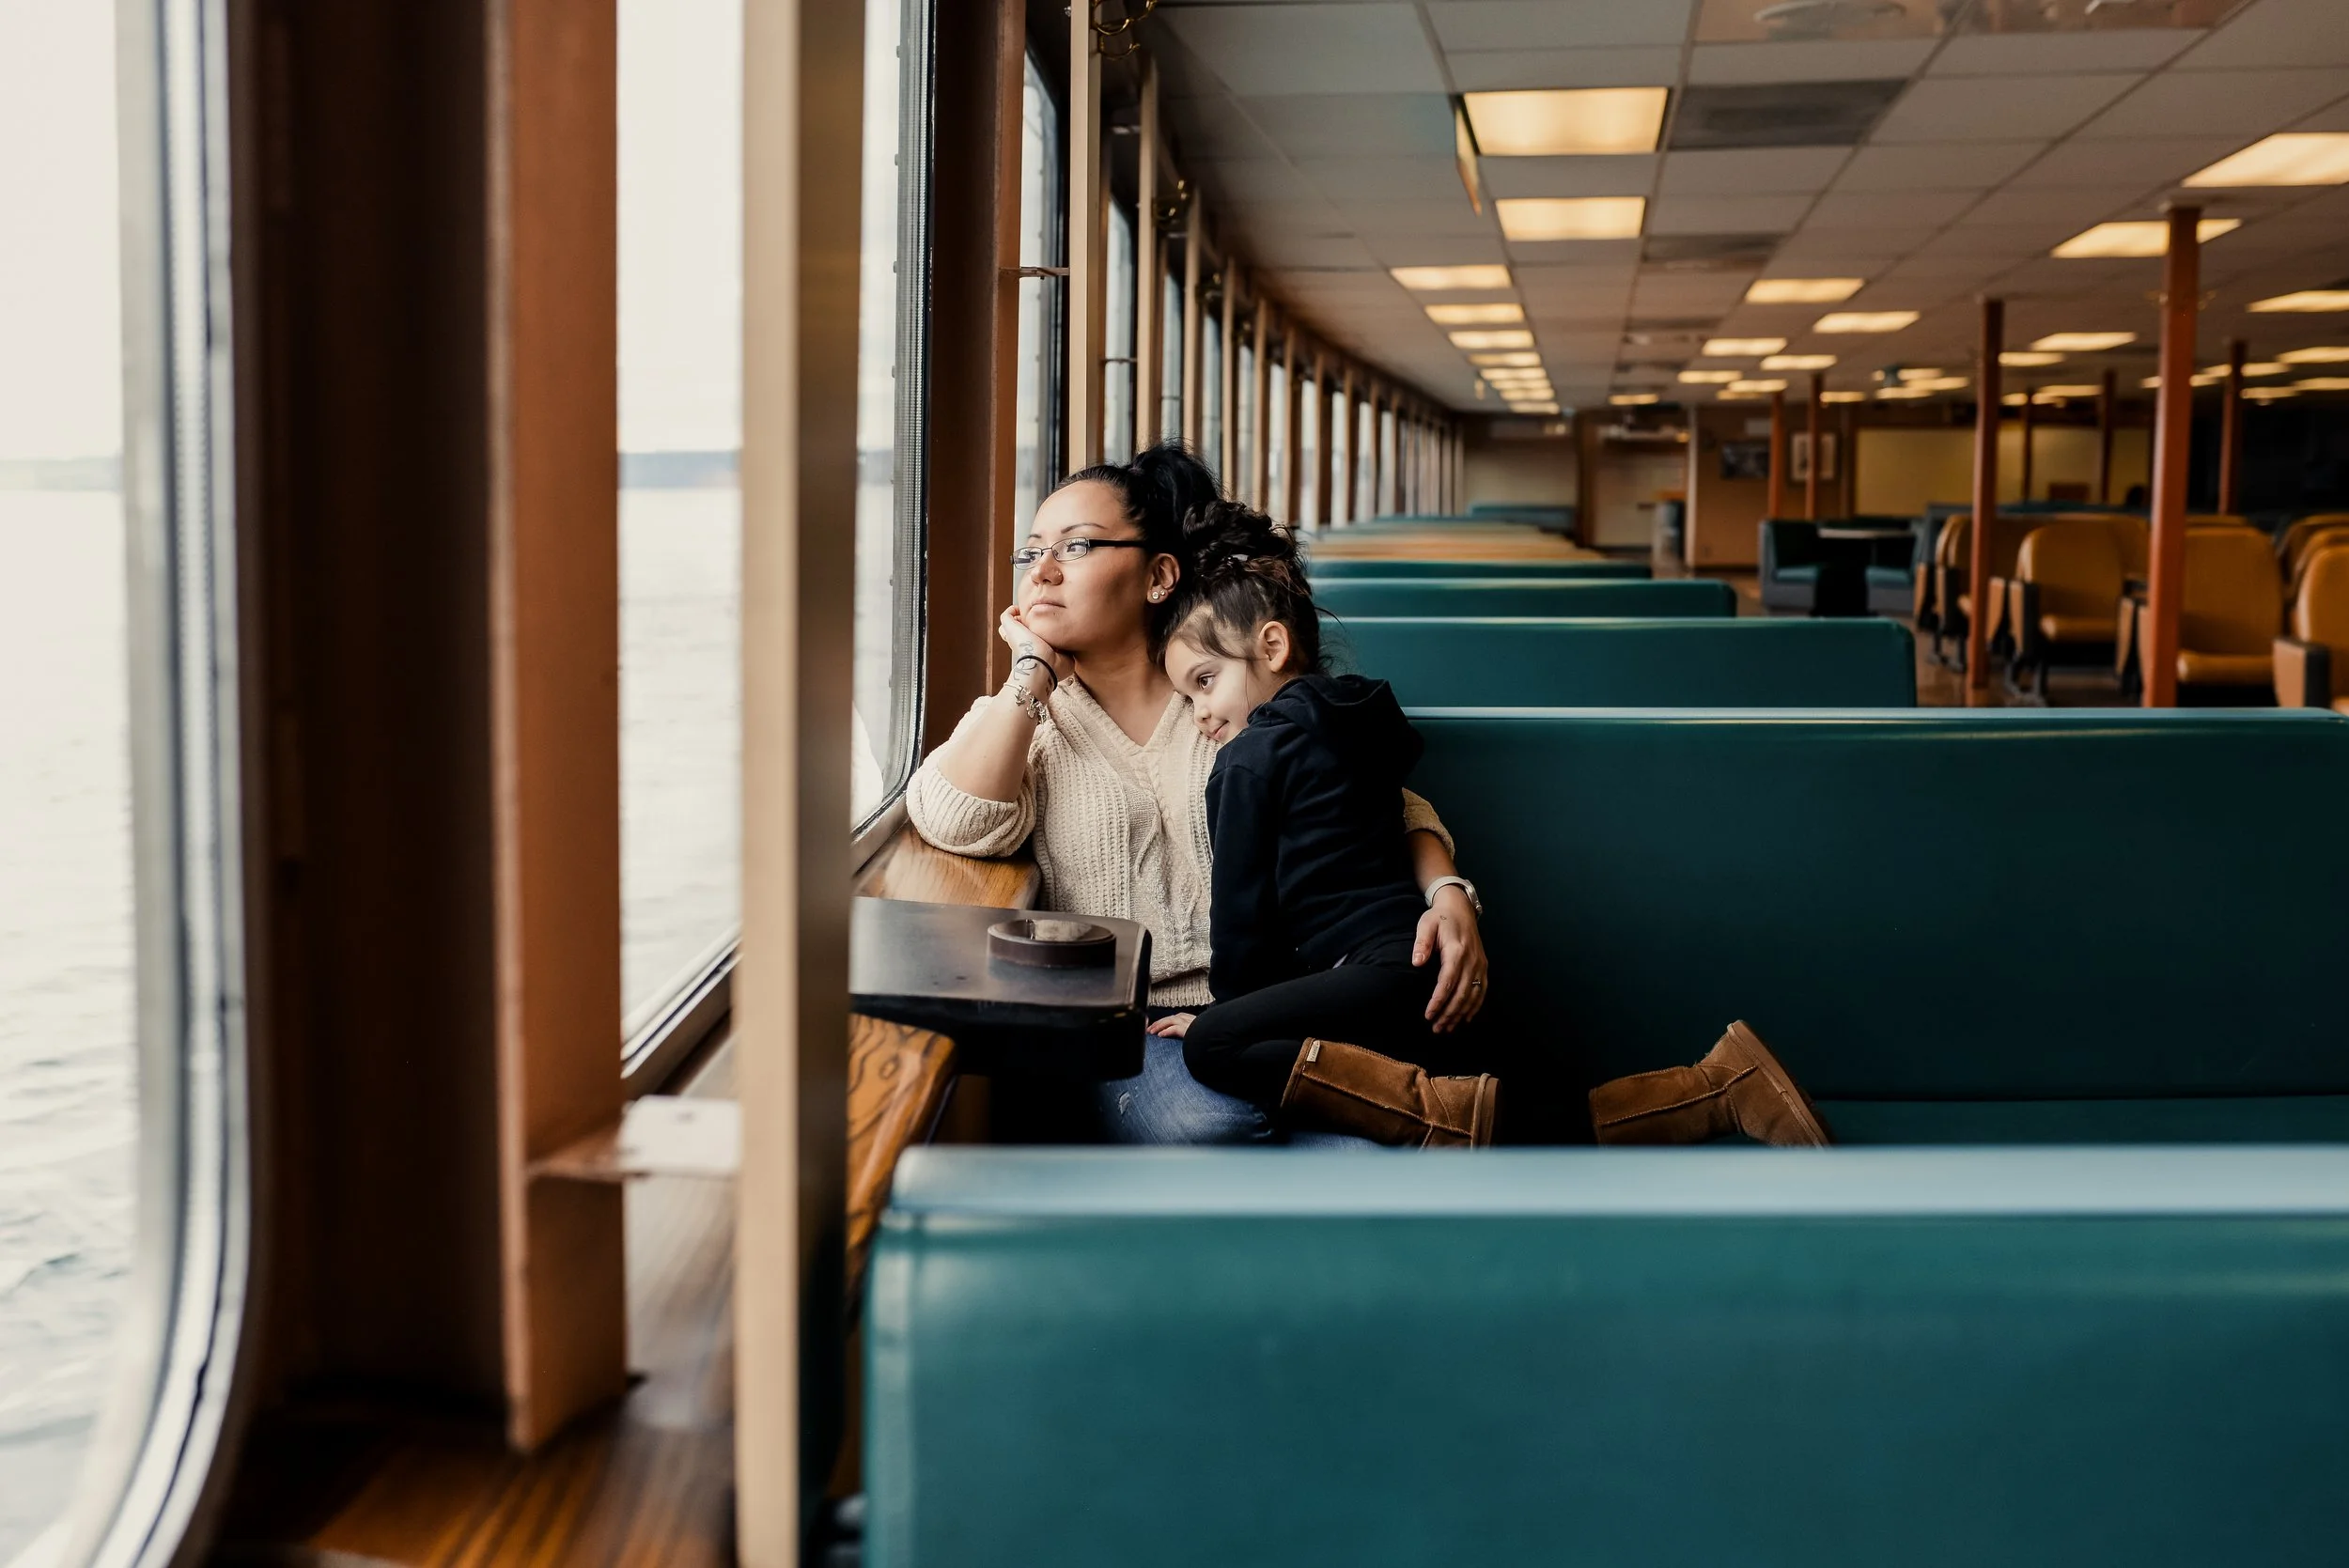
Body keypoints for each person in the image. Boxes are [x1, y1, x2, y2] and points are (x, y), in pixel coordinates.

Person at [904, 443, 1487, 1145]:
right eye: (1031, 554)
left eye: (1077, 546)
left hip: (1286, 1008)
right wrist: (1030, 670)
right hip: (1140, 1032)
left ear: (1158, 575)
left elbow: (1383, 803)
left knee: (1357, 1147)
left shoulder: (1223, 693)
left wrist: (1448, 893)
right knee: (1215, 1129)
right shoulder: (1030, 721)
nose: (1044, 572)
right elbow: (954, 817)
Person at [1145, 500, 1500, 1146]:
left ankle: (1431, 1115)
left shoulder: (1247, 761)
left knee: (1213, 1046)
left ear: (1272, 645)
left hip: (1369, 968)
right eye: (1187, 698)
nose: (1200, 713)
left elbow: (1243, 917)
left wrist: (1227, 1014)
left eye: (1205, 681)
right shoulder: (1356, 715)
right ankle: (1711, 1086)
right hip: (1409, 954)